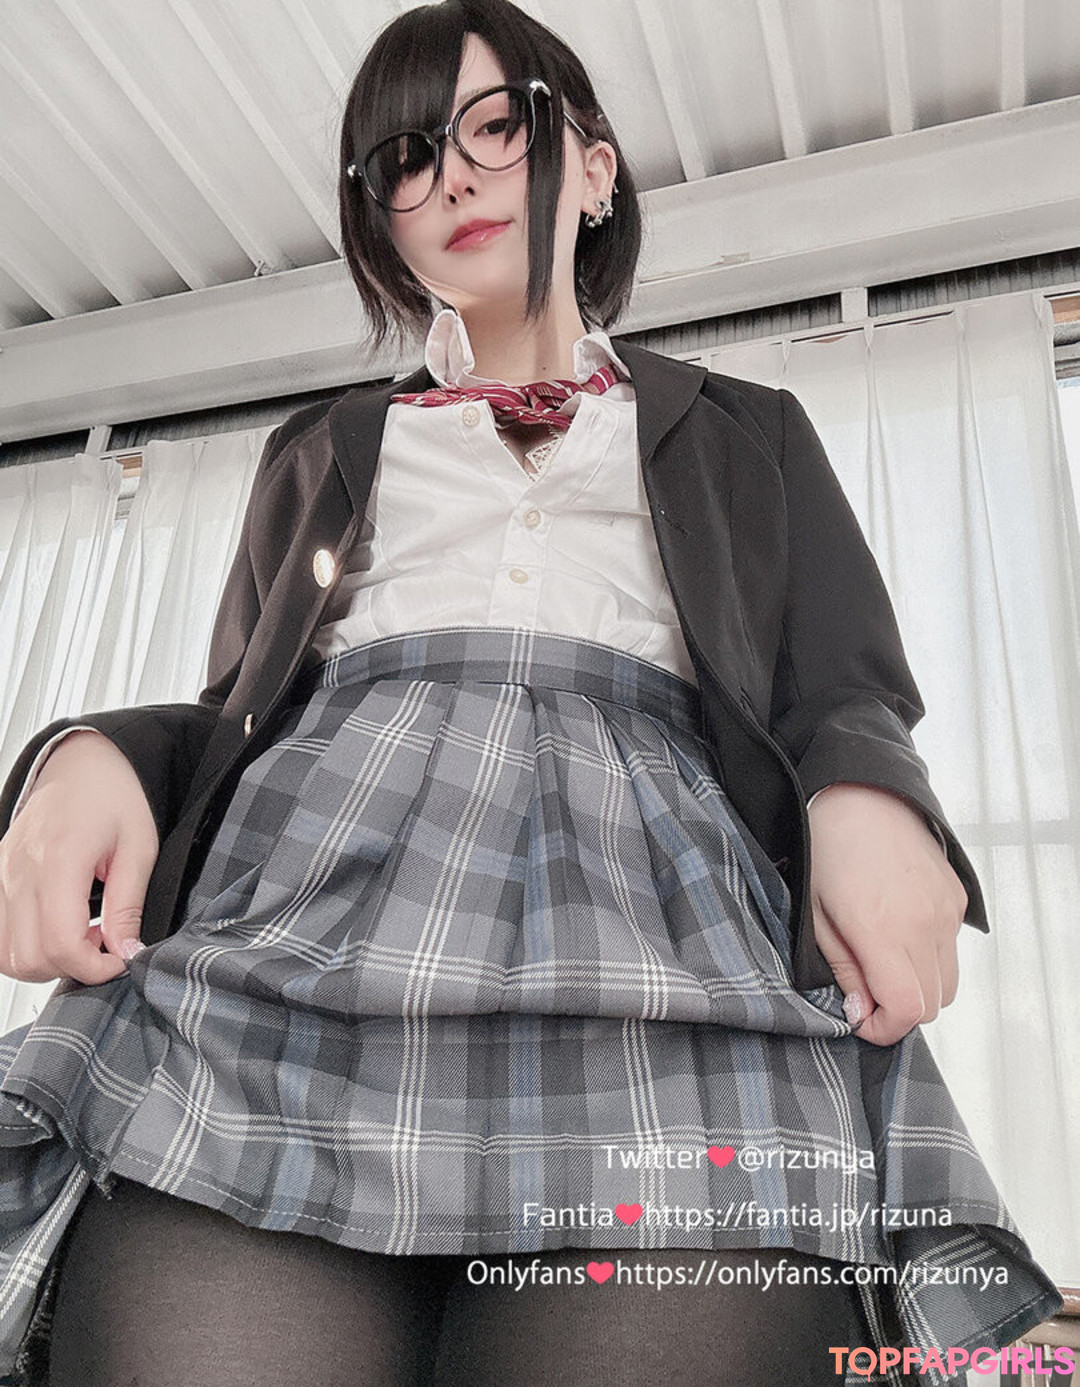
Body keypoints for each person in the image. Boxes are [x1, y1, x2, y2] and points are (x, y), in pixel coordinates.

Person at [0, 1, 1063, 1384]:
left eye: (496, 126)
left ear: (597, 168)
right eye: (404, 158)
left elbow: (842, 683)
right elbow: (242, 712)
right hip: (291, 946)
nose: (451, 176)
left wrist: (870, 799)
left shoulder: (749, 431)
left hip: (663, 949)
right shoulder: (317, 448)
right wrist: (88, 752)